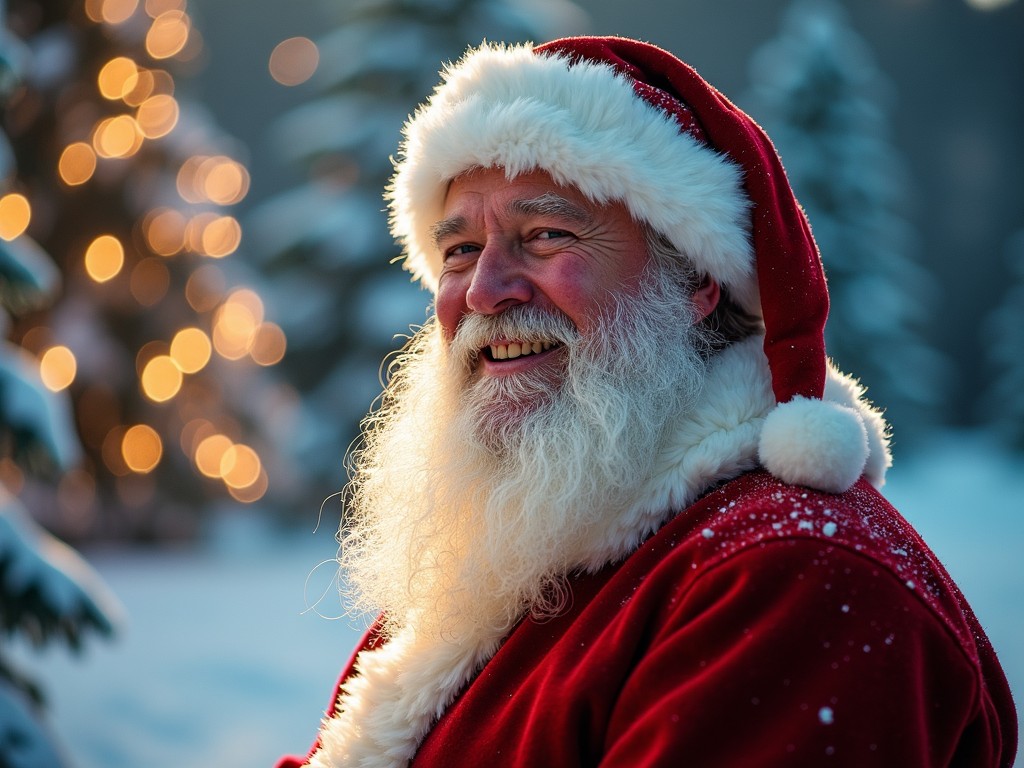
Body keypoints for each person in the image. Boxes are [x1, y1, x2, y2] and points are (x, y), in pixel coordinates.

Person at [276, 36, 1017, 767]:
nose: (481, 290)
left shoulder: (789, 578)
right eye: (460, 250)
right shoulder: (515, 551)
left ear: (695, 280)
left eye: (545, 235)